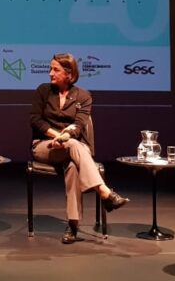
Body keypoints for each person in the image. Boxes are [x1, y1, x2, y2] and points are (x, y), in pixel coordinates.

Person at [29, 53, 129, 244]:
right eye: (50, 68)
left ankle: (73, 225)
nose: (50, 73)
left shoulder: (83, 96)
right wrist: (57, 136)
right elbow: (36, 120)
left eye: (55, 69)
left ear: (69, 73)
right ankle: (104, 192)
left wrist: (66, 136)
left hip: (72, 145)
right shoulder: (43, 91)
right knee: (74, 146)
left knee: (73, 166)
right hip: (44, 146)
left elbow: (79, 124)